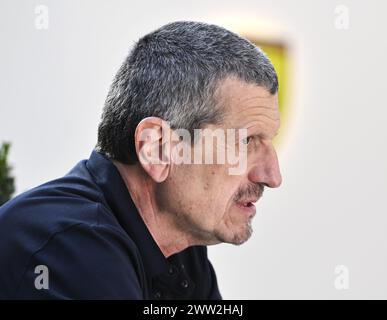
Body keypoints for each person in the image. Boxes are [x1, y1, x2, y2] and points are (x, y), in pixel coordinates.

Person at [0, 21, 282, 299]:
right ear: (157, 148)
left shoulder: (183, 253)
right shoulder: (67, 248)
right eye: (246, 142)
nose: (272, 176)